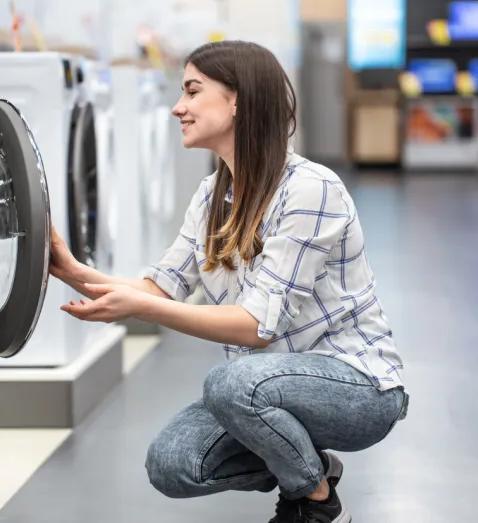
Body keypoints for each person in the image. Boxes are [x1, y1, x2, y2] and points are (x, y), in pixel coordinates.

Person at [48, 40, 408, 523]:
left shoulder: (310, 189)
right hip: (265, 386)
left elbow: (255, 327)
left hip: (357, 387)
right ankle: (311, 467)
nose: (178, 107)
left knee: (230, 384)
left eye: (193, 92)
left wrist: (142, 310)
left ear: (236, 99)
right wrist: (73, 271)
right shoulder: (211, 196)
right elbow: (160, 287)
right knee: (172, 463)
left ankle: (316, 504)